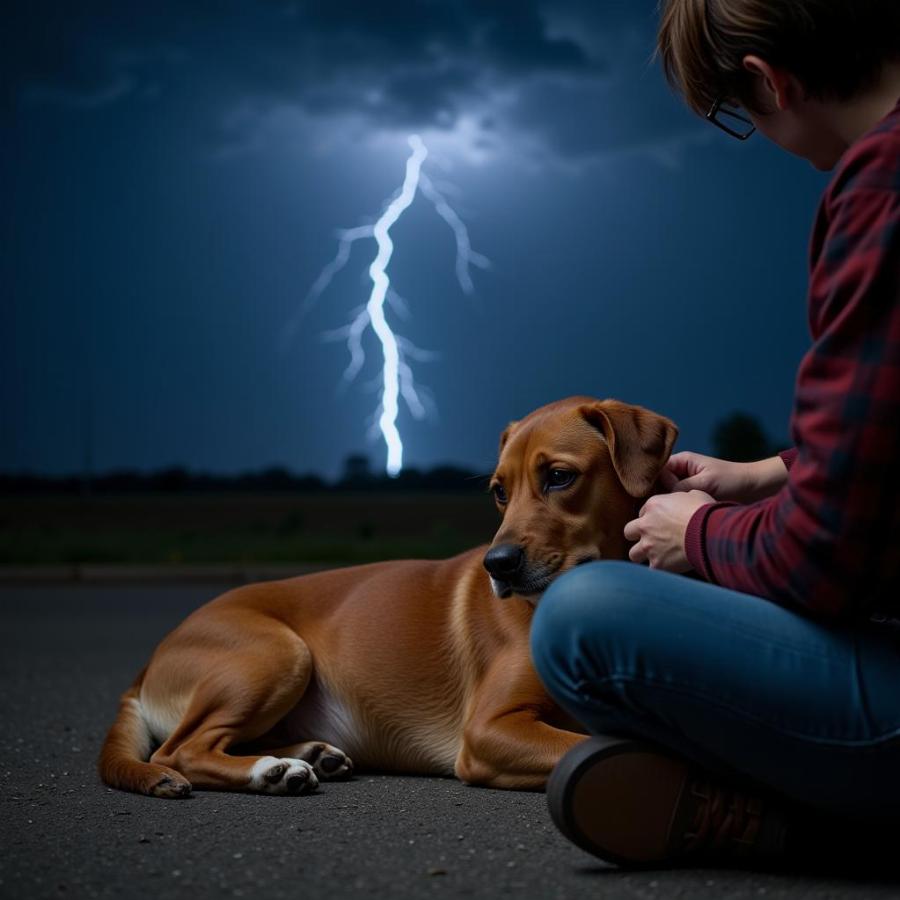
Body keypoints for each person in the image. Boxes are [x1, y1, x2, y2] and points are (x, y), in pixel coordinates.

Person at [530, 0, 900, 869]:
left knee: (584, 620)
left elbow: (824, 563)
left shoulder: (882, 186)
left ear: (768, 80)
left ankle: (811, 835)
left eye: (741, 114)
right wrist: (775, 473)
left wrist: (695, 533)